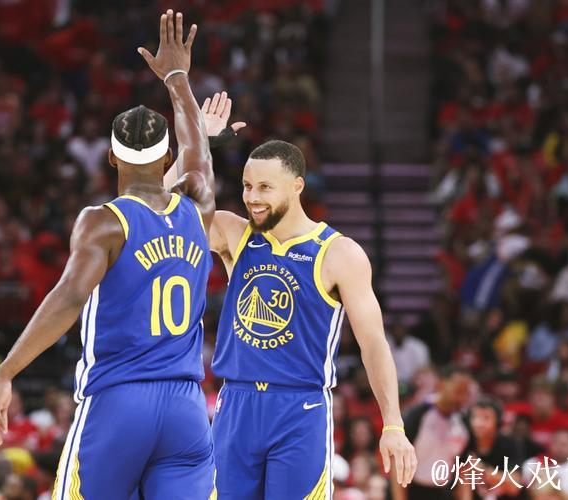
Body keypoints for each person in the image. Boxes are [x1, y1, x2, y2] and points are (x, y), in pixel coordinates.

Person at [0, 9, 217, 499]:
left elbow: (68, 298)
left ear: (111, 157)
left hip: (119, 401)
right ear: (166, 158)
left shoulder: (105, 221)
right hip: (187, 408)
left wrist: (6, 372)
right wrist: (177, 78)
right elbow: (197, 147)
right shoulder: (198, 204)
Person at [171, 106, 416, 496]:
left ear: (297, 186)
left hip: (300, 410)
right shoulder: (235, 233)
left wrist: (393, 424)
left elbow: (373, 344)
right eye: (247, 186)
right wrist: (196, 143)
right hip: (236, 404)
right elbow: (157, 214)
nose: (252, 198)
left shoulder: (340, 253)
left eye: (264, 187)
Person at [393, 366, 472, 500]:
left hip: (445, 492)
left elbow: (463, 468)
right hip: (413, 491)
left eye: (465, 392)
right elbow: (398, 461)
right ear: (441, 384)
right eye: (458, 391)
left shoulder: (463, 422)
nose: (461, 398)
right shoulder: (418, 415)